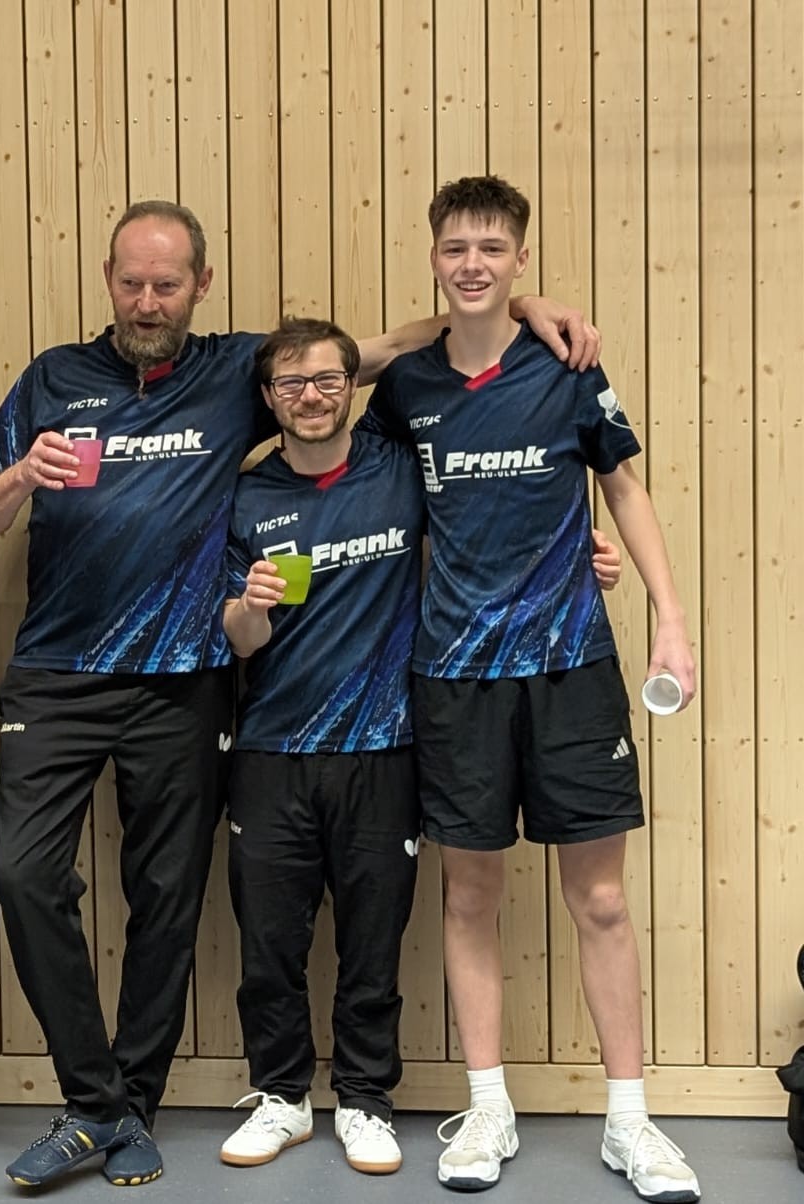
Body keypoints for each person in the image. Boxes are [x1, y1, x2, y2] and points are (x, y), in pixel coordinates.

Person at [0, 199, 600, 1190]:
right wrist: (18, 476)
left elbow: (382, 349)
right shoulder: (53, 377)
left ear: (200, 286)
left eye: (166, 283)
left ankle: (132, 1106)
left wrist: (524, 307)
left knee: (167, 898)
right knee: (21, 877)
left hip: (187, 680)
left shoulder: (239, 372)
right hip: (58, 671)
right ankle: (97, 1103)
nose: (146, 300)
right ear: (107, 279)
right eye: (131, 282)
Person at [358, 175, 700, 1202]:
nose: (473, 263)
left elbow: (623, 487)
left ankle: (630, 1121)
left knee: (600, 898)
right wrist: (499, 307)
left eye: (493, 249)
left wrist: (669, 619)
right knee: (469, 895)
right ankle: (487, 1107)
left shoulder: (567, 371)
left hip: (570, 670)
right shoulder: (406, 387)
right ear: (433, 257)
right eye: (455, 248)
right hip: (453, 676)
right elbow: (349, 427)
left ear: (519, 255)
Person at [216, 318, 620, 1179]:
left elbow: (497, 514)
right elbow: (240, 640)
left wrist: (577, 562)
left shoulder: (399, 468)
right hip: (272, 747)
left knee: (374, 943)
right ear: (269, 399)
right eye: (292, 384)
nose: (312, 396)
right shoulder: (245, 497)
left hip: (387, 743)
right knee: (270, 944)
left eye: (329, 379)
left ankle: (365, 1100)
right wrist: (250, 607)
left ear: (352, 386)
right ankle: (282, 1096)